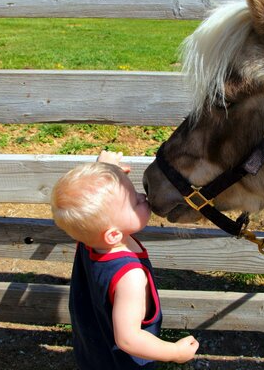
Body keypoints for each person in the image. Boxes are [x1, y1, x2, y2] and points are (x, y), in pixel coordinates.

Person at [51, 150, 199, 369]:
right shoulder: (130, 277)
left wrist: (109, 169)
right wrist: (174, 352)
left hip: (93, 345)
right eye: (134, 202)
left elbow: (98, 208)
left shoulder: (90, 237)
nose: (142, 196)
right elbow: (128, 339)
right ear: (113, 234)